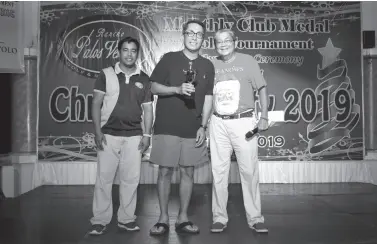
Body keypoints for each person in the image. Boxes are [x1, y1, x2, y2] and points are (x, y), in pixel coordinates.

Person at [148, 20, 215, 235]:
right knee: (165, 172)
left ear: (203, 39)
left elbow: (208, 99)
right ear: (183, 35)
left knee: (188, 172)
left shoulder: (207, 65)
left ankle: (183, 218)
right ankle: (163, 218)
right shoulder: (169, 59)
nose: (194, 37)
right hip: (167, 126)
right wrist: (176, 89)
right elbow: (153, 86)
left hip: (193, 127)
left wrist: (203, 126)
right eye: (190, 33)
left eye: (199, 34)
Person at [88, 37, 153, 235]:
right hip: (108, 135)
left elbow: (148, 110)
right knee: (104, 180)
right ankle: (99, 220)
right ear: (118, 52)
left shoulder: (144, 78)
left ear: (137, 54)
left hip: (134, 136)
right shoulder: (106, 74)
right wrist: (98, 131)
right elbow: (96, 104)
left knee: (131, 180)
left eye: (133, 50)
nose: (129, 54)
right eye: (125, 50)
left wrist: (147, 134)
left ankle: (126, 219)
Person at [209, 29, 269, 233]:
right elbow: (209, 96)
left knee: (249, 171)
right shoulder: (212, 64)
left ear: (235, 41)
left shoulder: (248, 61)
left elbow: (261, 88)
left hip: (244, 122)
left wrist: (264, 116)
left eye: (227, 40)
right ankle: (219, 217)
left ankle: (255, 218)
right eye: (219, 41)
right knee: (218, 172)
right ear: (215, 44)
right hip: (218, 122)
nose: (223, 44)